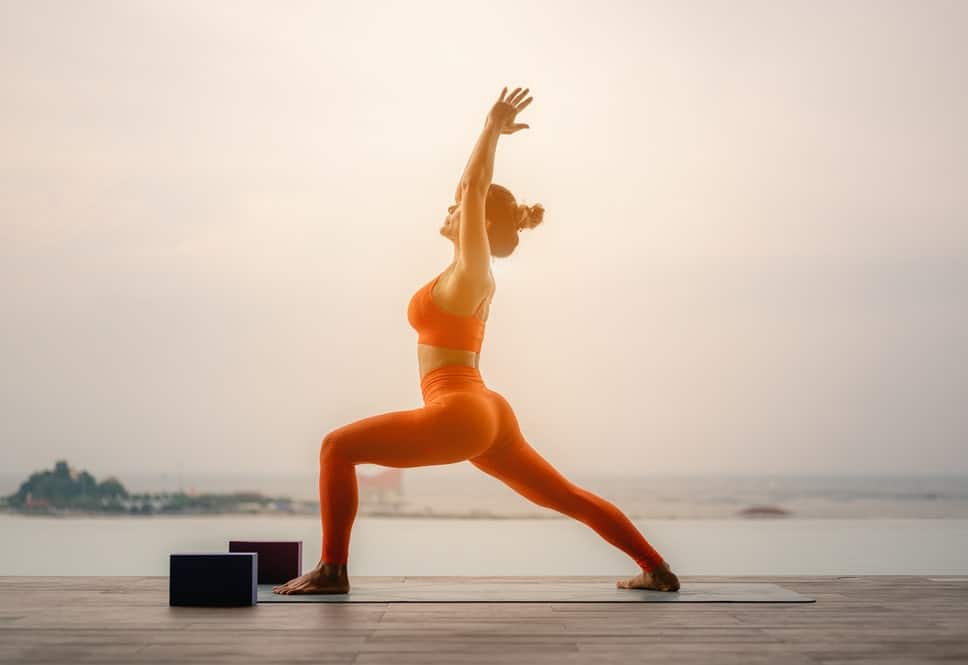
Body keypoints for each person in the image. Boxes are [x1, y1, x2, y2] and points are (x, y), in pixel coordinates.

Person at [274, 86, 680, 594]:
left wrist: (491, 127)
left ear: (479, 223)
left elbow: (471, 187)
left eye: (460, 208)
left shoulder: (472, 270)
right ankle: (656, 569)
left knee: (336, 447)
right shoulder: (464, 274)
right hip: (486, 411)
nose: (451, 207)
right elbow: (468, 191)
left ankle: (332, 572)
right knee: (566, 497)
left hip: (462, 410)